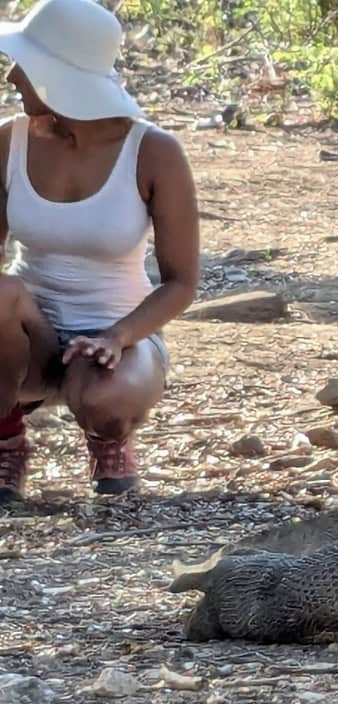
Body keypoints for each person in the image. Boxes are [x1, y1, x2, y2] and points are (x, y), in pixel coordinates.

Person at [0, 0, 199, 503]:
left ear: (57, 74)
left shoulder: (154, 152)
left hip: (119, 334)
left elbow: (181, 282)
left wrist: (117, 335)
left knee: (103, 397)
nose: (11, 75)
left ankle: (108, 438)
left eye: (23, 62)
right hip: (31, 334)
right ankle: (7, 438)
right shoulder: (9, 141)